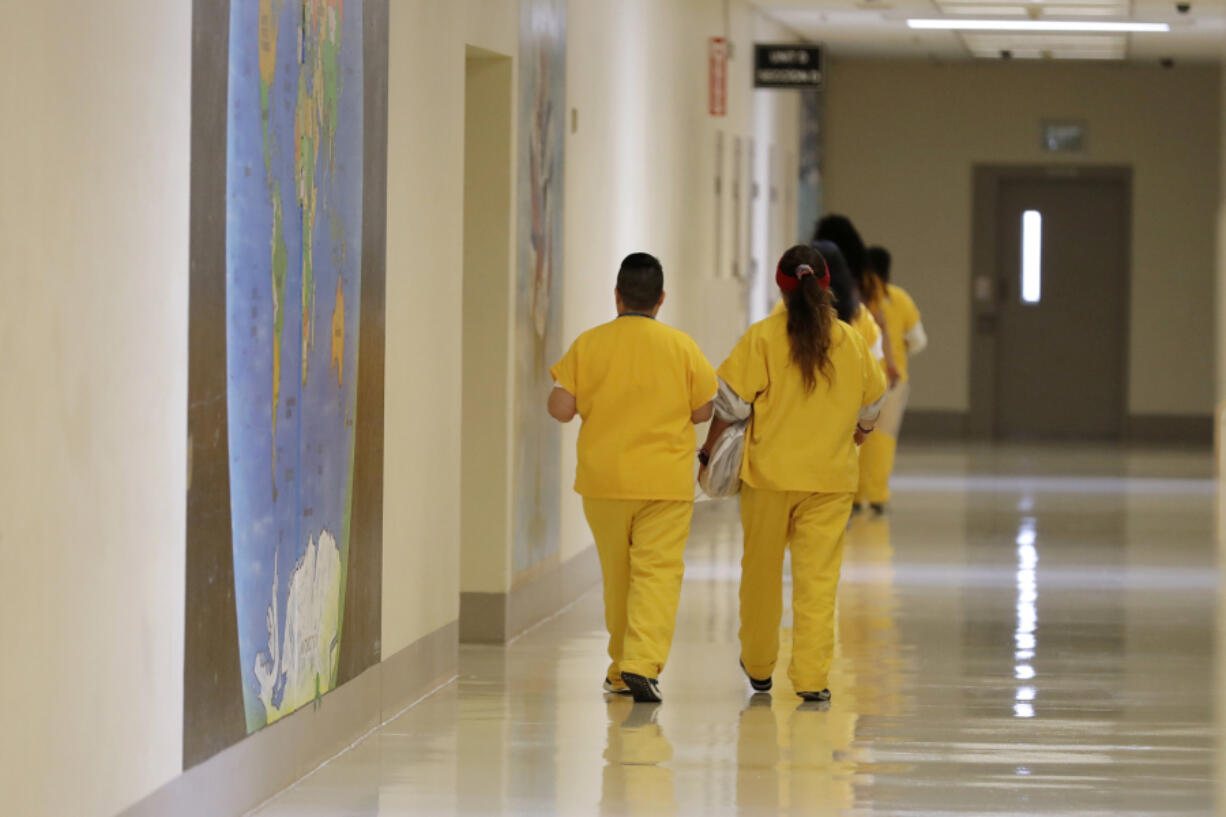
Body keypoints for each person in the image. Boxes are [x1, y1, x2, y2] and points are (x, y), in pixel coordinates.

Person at [700, 245, 886, 702]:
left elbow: (730, 403)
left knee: (760, 574)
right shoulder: (850, 340)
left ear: (781, 288)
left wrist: (708, 450)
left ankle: (760, 667)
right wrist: (860, 432)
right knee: (818, 582)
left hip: (769, 478)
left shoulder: (762, 338)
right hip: (831, 480)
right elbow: (874, 402)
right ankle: (811, 680)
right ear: (825, 286)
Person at [548, 252, 717, 703]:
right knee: (657, 574)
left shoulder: (590, 343)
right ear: (661, 299)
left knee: (618, 576)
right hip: (665, 483)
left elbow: (562, 409)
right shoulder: (681, 346)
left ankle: (622, 669)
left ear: (617, 296)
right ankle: (640, 663)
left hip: (604, 483)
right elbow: (704, 409)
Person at [857, 246, 927, 514]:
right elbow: (919, 341)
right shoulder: (900, 299)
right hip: (892, 379)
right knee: (883, 438)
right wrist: (899, 349)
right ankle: (876, 496)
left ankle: (853, 495)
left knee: (856, 437)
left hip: (860, 379)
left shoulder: (856, 301)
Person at [813, 215, 900, 387]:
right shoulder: (866, 279)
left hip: (819, 354)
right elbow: (880, 323)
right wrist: (890, 365)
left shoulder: (814, 276)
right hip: (860, 355)